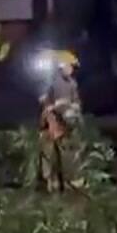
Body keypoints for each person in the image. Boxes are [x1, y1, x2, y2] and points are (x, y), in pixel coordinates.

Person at [38, 49, 82, 192]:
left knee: (65, 154)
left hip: (66, 124)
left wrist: (72, 110)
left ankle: (66, 184)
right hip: (52, 123)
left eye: (72, 67)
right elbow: (46, 103)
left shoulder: (72, 84)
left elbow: (75, 102)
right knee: (49, 154)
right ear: (61, 66)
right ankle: (49, 185)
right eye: (69, 66)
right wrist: (52, 119)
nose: (71, 70)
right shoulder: (53, 83)